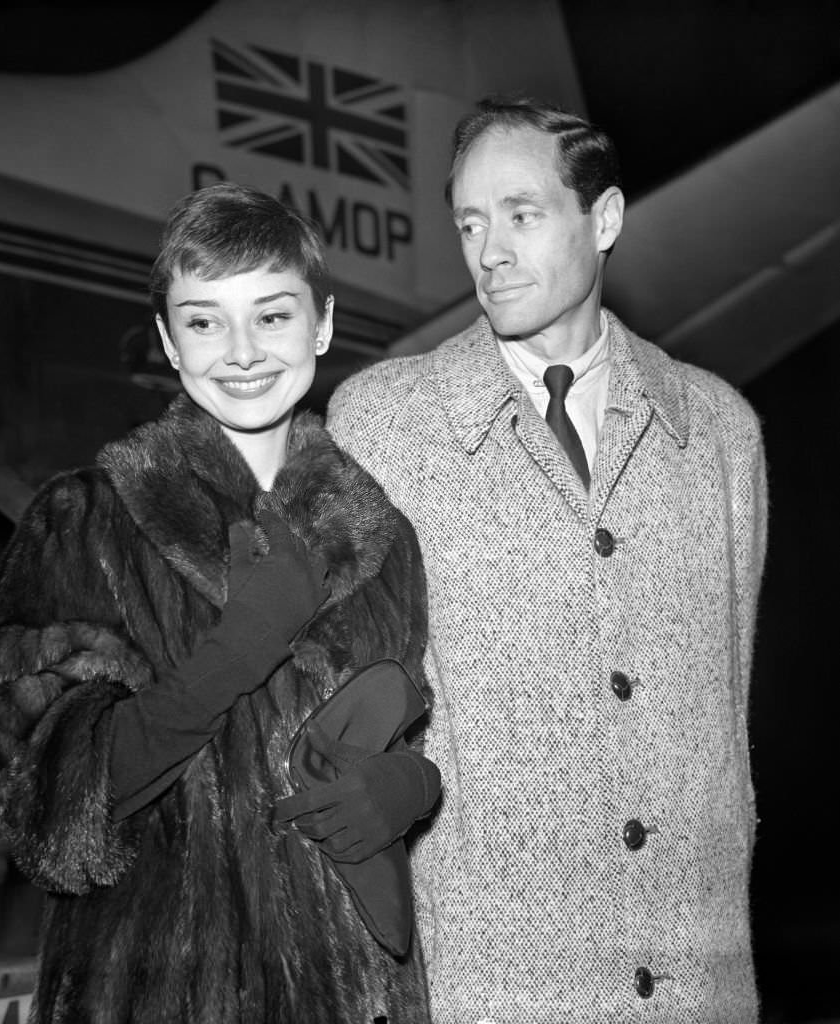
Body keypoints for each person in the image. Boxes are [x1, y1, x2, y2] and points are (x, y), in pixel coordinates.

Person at [0, 182, 440, 1023]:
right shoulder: (88, 519)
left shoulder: (385, 539)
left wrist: (413, 787)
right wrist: (237, 651)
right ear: (169, 341)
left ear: (322, 324)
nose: (240, 351)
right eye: (204, 321)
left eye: (271, 316)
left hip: (360, 992)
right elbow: (20, 800)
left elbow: (401, 732)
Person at [327, 97, 768, 1023]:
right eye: (470, 223)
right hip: (490, 982)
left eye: (521, 215)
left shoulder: (721, 433)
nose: (489, 251)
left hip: (701, 979)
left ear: (601, 220)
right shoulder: (382, 424)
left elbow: (723, 709)